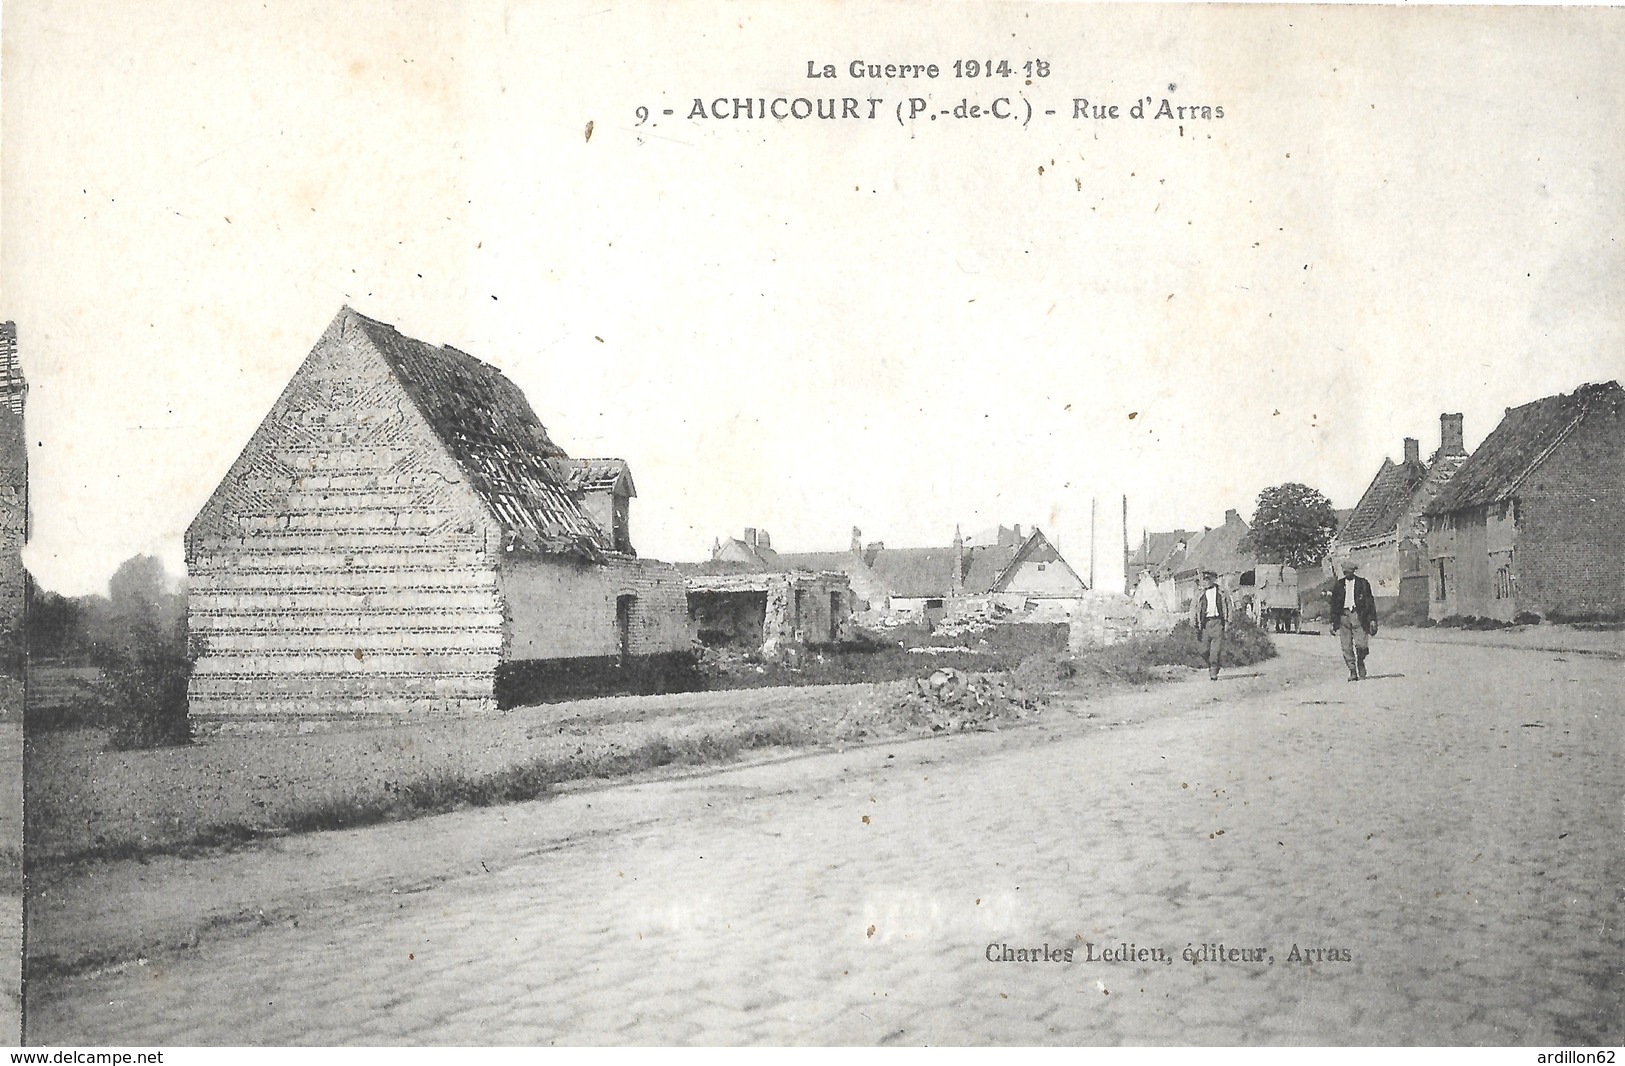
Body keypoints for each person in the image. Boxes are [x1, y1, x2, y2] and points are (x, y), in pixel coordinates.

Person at [1328, 560, 1378, 680]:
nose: (1347, 574)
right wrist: (1333, 623)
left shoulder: (1363, 583)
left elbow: (1370, 602)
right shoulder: (1339, 585)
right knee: (1346, 646)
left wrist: (1372, 619)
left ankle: (1360, 661)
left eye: (1349, 571)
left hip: (1359, 616)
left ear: (1353, 571)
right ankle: (1352, 671)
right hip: (1343, 617)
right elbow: (1334, 605)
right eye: (1345, 572)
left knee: (1361, 644)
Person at [1189, 569, 1229, 680]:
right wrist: (1193, 622)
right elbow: (1193, 608)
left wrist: (1228, 622)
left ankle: (1213, 671)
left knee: (1215, 651)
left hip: (1218, 623)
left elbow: (1229, 606)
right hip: (1205, 624)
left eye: (1208, 579)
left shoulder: (1222, 592)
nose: (1206, 581)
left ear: (1213, 579)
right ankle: (1215, 665)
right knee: (1203, 650)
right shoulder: (1200, 593)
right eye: (1204, 579)